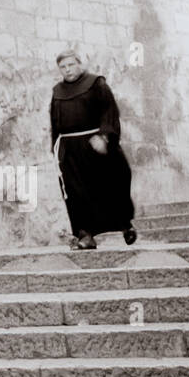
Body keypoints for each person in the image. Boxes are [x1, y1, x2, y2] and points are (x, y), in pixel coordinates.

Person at [49, 50, 137, 250]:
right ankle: (85, 235)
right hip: (70, 150)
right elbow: (55, 123)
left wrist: (105, 136)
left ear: (79, 64)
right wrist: (56, 150)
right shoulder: (57, 92)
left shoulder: (96, 84)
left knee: (113, 183)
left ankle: (125, 225)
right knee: (75, 192)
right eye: (63, 67)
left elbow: (109, 110)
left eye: (70, 65)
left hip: (96, 144)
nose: (67, 70)